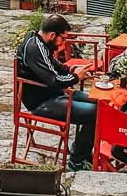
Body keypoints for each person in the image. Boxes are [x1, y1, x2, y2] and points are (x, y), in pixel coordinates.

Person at [16, 13, 98, 170]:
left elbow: (55, 65)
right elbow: (55, 82)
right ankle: (77, 160)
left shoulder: (39, 42)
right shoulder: (35, 48)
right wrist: (75, 77)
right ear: (52, 35)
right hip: (42, 102)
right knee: (96, 113)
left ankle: (83, 153)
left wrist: (71, 70)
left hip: (53, 94)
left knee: (98, 101)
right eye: (63, 38)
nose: (63, 43)